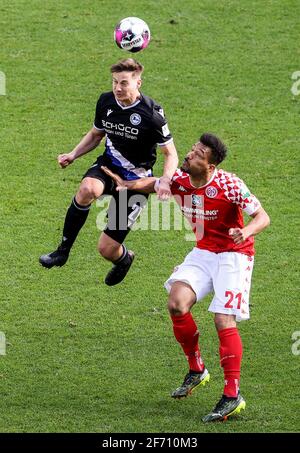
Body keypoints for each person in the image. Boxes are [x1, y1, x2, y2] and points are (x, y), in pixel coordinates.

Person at [101, 132, 270, 422]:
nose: (190, 155)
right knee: (176, 303)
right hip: (204, 252)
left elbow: (262, 217)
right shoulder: (179, 179)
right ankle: (197, 369)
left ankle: (232, 395)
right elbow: (153, 184)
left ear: (210, 165)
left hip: (235, 255)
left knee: (222, 319)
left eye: (198, 154)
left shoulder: (229, 185)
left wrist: (247, 231)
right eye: (192, 150)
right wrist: (127, 185)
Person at [39, 58, 178, 285]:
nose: (118, 88)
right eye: (115, 82)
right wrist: (73, 154)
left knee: (106, 249)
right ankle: (62, 251)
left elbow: (170, 153)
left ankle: (124, 258)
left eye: (124, 83)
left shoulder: (152, 115)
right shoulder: (106, 102)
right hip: (108, 166)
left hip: (136, 180)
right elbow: (96, 134)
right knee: (87, 189)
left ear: (138, 83)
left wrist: (165, 180)